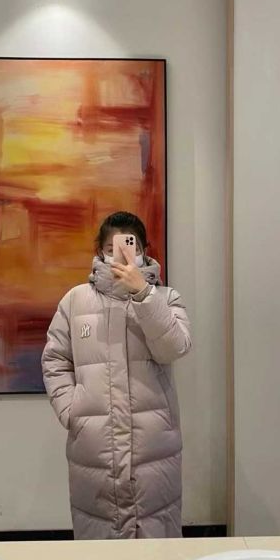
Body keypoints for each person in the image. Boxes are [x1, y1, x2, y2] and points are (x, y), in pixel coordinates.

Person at [41, 211, 191, 539]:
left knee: (156, 545)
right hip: (94, 447)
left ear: (144, 250)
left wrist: (144, 295)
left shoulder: (166, 298)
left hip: (153, 447)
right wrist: (73, 412)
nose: (120, 254)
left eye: (128, 246)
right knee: (99, 546)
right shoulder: (75, 300)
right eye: (111, 248)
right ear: (100, 251)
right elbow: (55, 360)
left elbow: (174, 348)